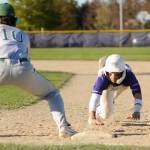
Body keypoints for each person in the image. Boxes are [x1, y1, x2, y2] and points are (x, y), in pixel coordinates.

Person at [0, 3, 77, 137]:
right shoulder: (21, 33)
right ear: (13, 19)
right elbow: (27, 56)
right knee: (52, 94)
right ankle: (63, 127)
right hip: (22, 67)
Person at [88, 54, 142, 125]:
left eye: (117, 73)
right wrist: (92, 117)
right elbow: (95, 96)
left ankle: (111, 99)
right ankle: (100, 108)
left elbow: (137, 93)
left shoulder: (129, 75)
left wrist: (137, 110)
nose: (113, 77)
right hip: (108, 87)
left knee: (113, 96)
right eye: (110, 73)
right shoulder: (102, 77)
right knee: (105, 115)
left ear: (122, 72)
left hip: (123, 85)